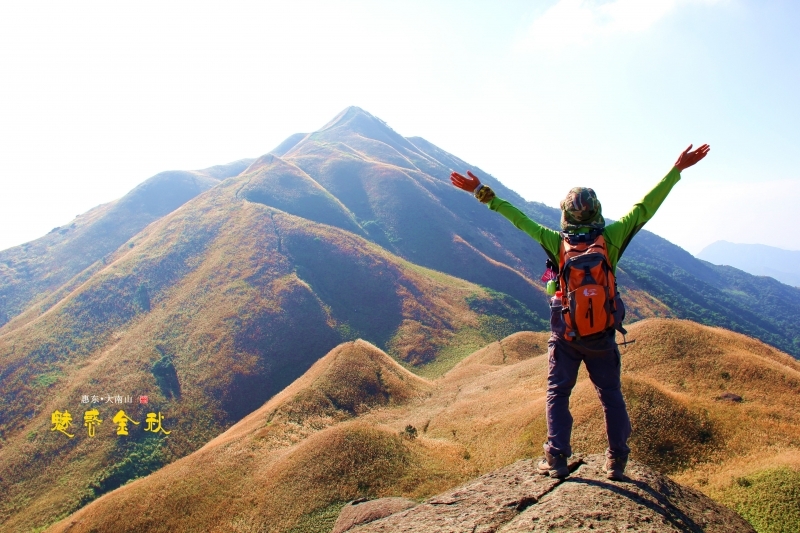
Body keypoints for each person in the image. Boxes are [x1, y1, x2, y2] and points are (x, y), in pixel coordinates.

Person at [450, 144, 710, 480]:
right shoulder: (612, 238)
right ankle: (616, 461)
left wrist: (483, 193)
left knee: (558, 394)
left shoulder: (555, 241)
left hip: (567, 337)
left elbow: (519, 219)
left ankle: (556, 458)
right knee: (611, 396)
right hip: (602, 336)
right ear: (597, 211)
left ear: (566, 215)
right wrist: (676, 170)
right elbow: (645, 208)